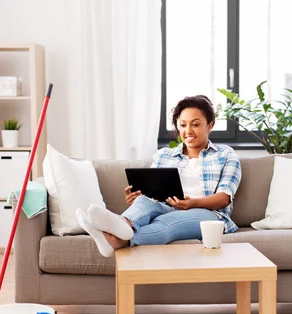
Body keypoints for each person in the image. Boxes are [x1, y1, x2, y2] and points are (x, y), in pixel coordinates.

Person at [76, 94, 242, 257]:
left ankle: (112, 238)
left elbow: (224, 198)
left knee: (167, 223)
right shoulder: (164, 155)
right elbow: (152, 193)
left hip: (208, 214)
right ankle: (124, 224)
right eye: (183, 125)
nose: (188, 131)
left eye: (195, 124)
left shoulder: (225, 155)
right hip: (165, 207)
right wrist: (139, 195)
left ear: (209, 125)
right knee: (143, 201)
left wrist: (192, 203)